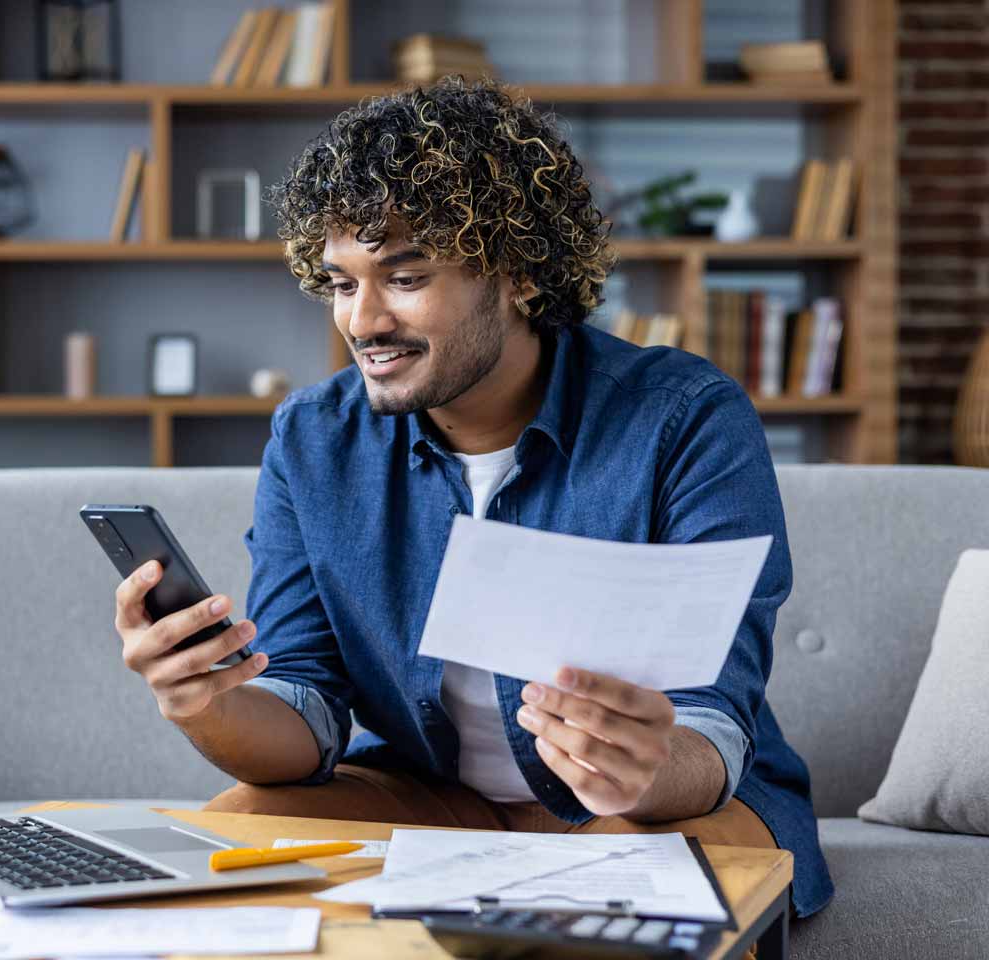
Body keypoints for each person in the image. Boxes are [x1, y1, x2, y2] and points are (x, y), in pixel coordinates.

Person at [111, 77, 831, 918]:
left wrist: (646, 764)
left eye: (405, 276)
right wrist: (205, 700)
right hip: (428, 797)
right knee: (234, 840)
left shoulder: (682, 418)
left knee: (625, 894)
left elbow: (714, 718)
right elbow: (302, 709)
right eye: (343, 284)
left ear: (520, 273)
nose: (364, 320)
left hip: (651, 808)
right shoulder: (314, 439)